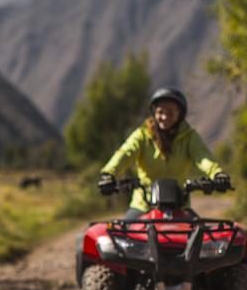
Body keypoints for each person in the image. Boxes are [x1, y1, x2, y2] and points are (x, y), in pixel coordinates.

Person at [97, 87, 230, 220]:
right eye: (160, 112)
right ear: (154, 112)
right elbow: (125, 153)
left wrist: (217, 174)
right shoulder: (142, 135)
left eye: (171, 112)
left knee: (200, 237)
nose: (165, 117)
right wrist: (109, 174)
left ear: (180, 114)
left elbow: (203, 157)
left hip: (180, 207)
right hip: (143, 206)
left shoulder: (189, 137)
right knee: (123, 237)